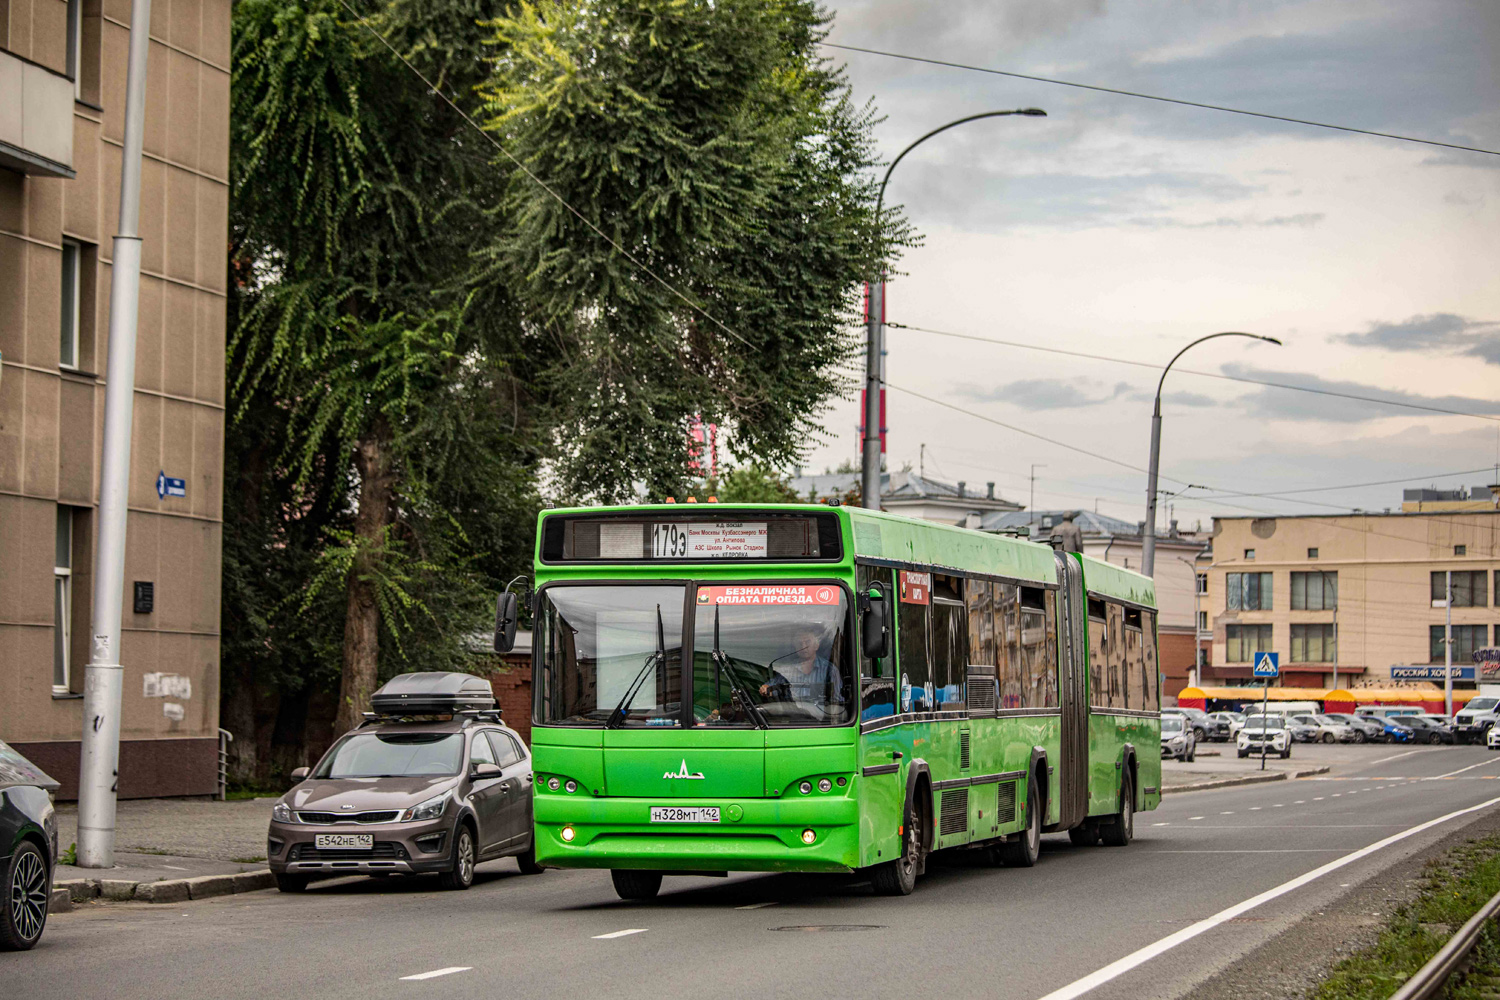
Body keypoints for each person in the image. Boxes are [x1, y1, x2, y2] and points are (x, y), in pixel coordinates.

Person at [761, 626, 841, 707]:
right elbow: (771, 687)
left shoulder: (829, 669)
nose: (803, 647)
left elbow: (837, 701)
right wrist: (765, 688)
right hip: (793, 716)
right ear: (795, 647)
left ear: (816, 645)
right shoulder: (788, 669)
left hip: (820, 717)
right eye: (800, 643)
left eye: (807, 642)